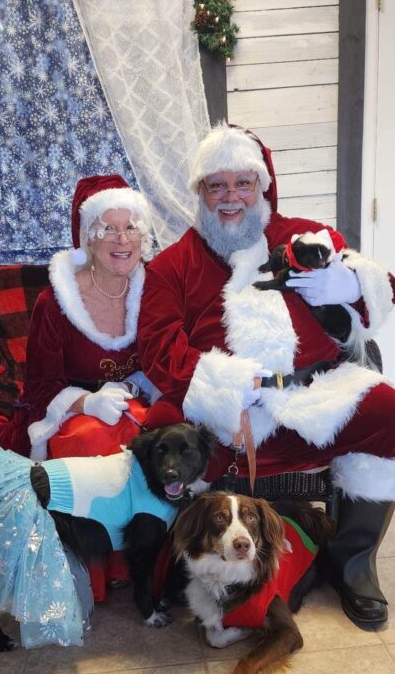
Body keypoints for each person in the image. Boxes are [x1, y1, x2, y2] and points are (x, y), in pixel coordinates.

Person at [138, 122, 395, 628]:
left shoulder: (303, 237)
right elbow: (157, 347)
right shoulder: (172, 266)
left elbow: (380, 288)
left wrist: (347, 284)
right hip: (230, 418)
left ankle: (351, 562)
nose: (230, 196)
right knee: (164, 431)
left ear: (262, 186)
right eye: (217, 185)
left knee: (389, 412)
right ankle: (186, 562)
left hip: (318, 396)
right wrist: (224, 384)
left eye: (243, 182)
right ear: (200, 192)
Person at [0, 173, 156, 462]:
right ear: (89, 241)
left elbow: (170, 360)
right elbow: (40, 387)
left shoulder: (156, 290)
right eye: (108, 229)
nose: (122, 239)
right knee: (90, 437)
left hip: (139, 406)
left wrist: (131, 386)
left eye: (131, 227)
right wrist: (88, 403)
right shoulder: (54, 303)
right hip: (72, 418)